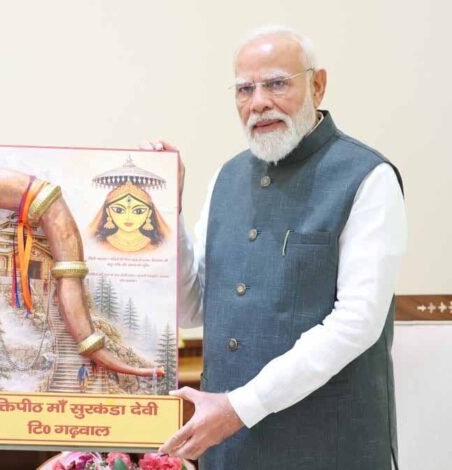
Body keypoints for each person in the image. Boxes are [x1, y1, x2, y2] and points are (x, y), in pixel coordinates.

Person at [151, 26, 407, 469]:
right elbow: (194, 308)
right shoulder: (225, 179)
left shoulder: (368, 177)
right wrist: (166, 213)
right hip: (229, 450)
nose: (258, 103)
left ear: (318, 85)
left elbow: (357, 323)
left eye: (276, 84)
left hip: (329, 449)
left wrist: (240, 407)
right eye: (244, 89)